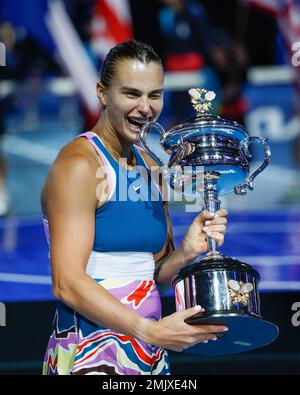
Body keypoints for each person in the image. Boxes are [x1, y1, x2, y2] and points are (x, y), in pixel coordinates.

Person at [41, 39, 228, 375]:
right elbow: (66, 282)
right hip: (90, 354)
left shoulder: (151, 167)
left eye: (154, 95)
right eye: (131, 94)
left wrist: (186, 250)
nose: (145, 107)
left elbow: (151, 277)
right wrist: (147, 329)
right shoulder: (79, 165)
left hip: (148, 354)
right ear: (102, 93)